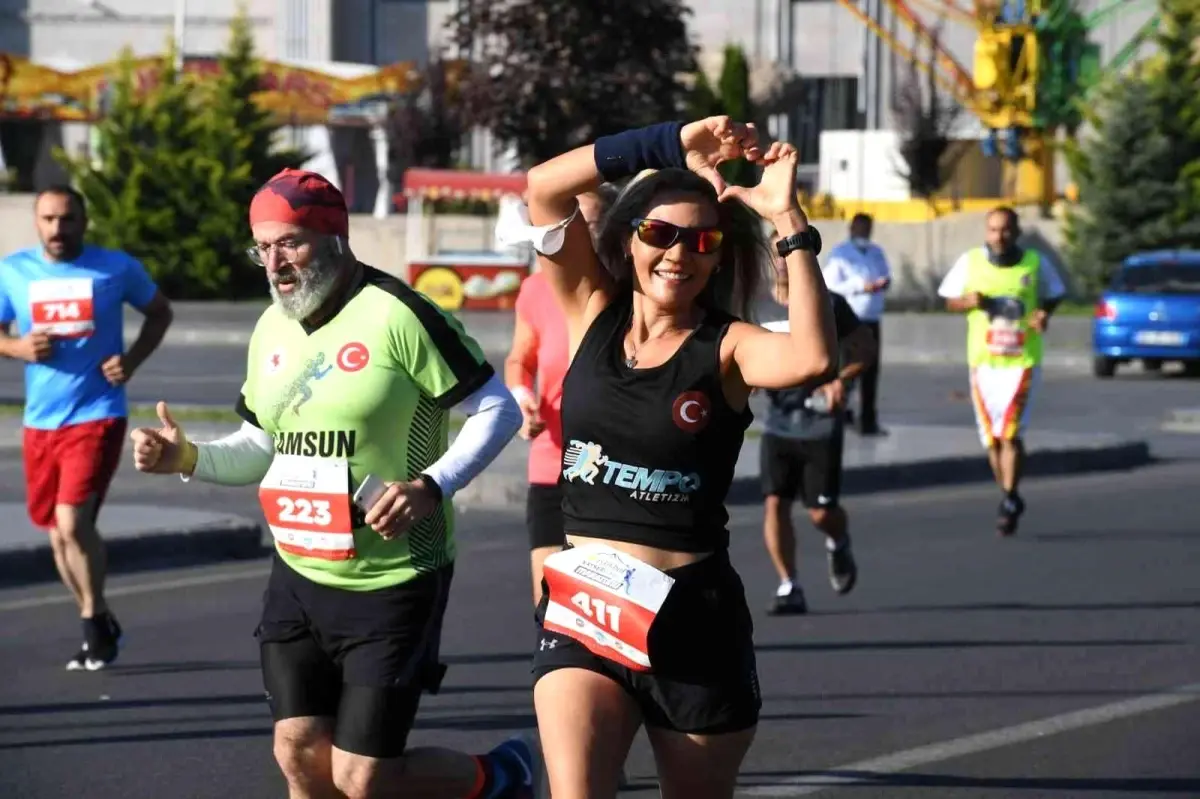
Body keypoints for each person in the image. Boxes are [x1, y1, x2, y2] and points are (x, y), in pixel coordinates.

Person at [128, 169, 541, 799]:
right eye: (261, 248)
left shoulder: (399, 314)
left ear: (334, 237)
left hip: (394, 578)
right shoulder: (272, 326)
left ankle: (501, 776)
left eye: (289, 243)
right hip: (297, 574)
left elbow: (499, 409)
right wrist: (186, 456)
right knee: (297, 753)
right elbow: (260, 446)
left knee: (362, 776)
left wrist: (432, 486)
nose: (274, 263)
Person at [520, 117, 837, 798]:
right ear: (630, 237)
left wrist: (789, 218)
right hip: (588, 607)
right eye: (660, 234)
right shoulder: (589, 310)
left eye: (702, 241)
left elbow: (813, 356)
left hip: (693, 616)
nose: (678, 254)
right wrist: (670, 143)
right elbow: (543, 186)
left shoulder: (728, 345)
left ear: (718, 257)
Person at [0, 185, 173, 671]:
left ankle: (95, 618)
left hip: (97, 413)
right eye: (49, 219)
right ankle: (95, 621)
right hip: (39, 421)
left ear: (84, 221)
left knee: (74, 523)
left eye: (68, 219)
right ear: (37, 222)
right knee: (57, 534)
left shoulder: (115, 268)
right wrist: (17, 348)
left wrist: (132, 361)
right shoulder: (13, 271)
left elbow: (161, 312)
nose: (58, 229)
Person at [504, 185, 619, 607]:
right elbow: (521, 360)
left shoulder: (628, 291)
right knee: (547, 601)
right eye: (565, 227)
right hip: (552, 459)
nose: (574, 239)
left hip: (614, 468)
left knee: (606, 605)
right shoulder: (536, 289)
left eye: (586, 226)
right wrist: (521, 398)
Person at [755, 252, 876, 615]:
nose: (780, 259)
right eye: (775, 251)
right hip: (777, 423)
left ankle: (838, 542)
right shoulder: (755, 304)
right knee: (775, 503)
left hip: (820, 425)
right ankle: (788, 584)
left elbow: (865, 348)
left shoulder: (829, 303)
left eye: (787, 250)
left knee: (820, 513)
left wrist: (841, 381)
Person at [937, 206, 1066, 536]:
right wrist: (969, 301)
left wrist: (1042, 313)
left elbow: (1054, 294)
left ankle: (1009, 498)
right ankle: (1008, 494)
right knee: (992, 440)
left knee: (1010, 433)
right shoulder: (971, 262)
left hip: (1021, 361)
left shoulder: (1035, 263)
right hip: (983, 362)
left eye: (1006, 230)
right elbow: (948, 298)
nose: (1000, 236)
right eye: (993, 230)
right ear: (986, 232)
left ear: (1017, 231)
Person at [821, 212, 890, 435]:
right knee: (846, 369)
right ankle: (840, 413)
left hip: (871, 318)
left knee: (871, 370)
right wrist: (860, 286)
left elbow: (887, 275)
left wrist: (882, 284)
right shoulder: (840, 254)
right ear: (851, 229)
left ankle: (868, 420)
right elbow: (829, 287)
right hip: (849, 321)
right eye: (859, 228)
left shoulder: (877, 252)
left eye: (867, 229)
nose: (863, 233)